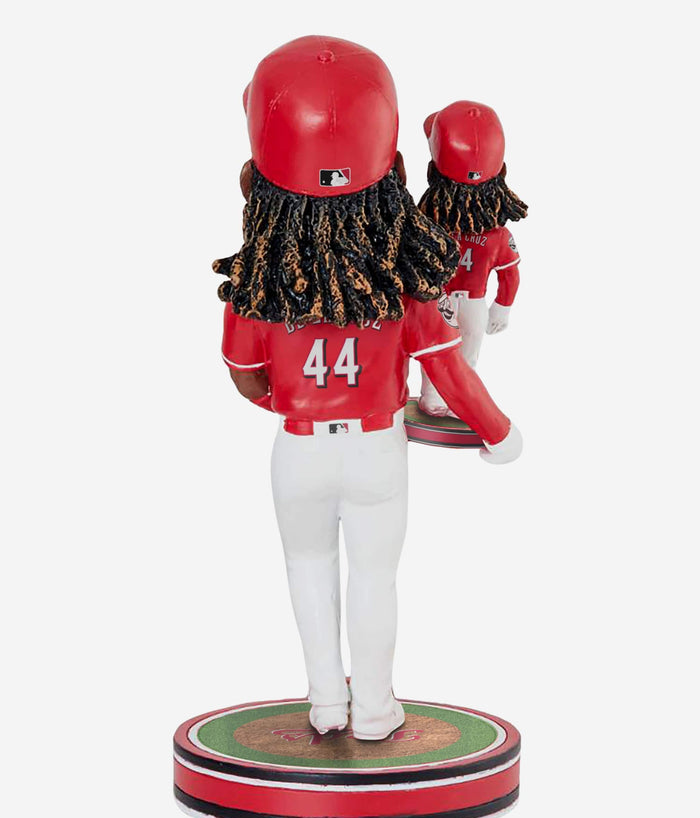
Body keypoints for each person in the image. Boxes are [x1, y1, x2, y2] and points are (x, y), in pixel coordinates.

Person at [214, 37, 523, 741]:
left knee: (307, 566)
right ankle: (376, 710)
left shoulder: (261, 279)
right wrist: (500, 433)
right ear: (395, 170)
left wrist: (295, 403)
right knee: (375, 578)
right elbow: (449, 372)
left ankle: (327, 701)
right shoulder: (403, 278)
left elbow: (244, 376)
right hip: (378, 448)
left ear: (257, 178)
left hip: (298, 452)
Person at [418, 101, 528, 416]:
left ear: (432, 172)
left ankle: (434, 399)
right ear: (501, 173)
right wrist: (503, 306)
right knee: (467, 357)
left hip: (437, 301)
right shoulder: (498, 235)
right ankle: (461, 403)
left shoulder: (428, 222)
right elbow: (510, 275)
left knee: (435, 353)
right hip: (474, 304)